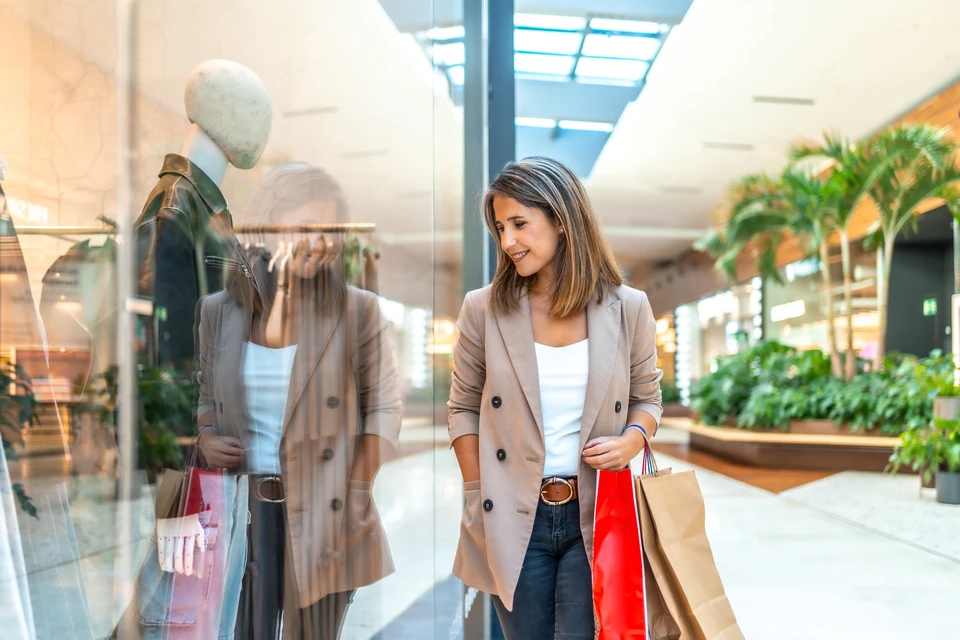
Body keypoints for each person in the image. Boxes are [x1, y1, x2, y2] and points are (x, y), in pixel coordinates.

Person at [447, 157, 663, 639]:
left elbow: (648, 398)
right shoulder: (482, 309)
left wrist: (632, 439)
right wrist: (478, 492)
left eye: (520, 224)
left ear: (562, 221)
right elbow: (462, 408)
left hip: (597, 511)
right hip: (510, 512)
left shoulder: (628, 308)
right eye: (501, 227)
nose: (507, 242)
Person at [193, 163, 402, 639]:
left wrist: (353, 491)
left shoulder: (358, 310)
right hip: (242, 513)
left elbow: (384, 410)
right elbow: (206, 392)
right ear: (265, 229)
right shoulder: (218, 312)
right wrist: (206, 434)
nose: (319, 241)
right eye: (305, 228)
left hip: (325, 511)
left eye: (329, 229)